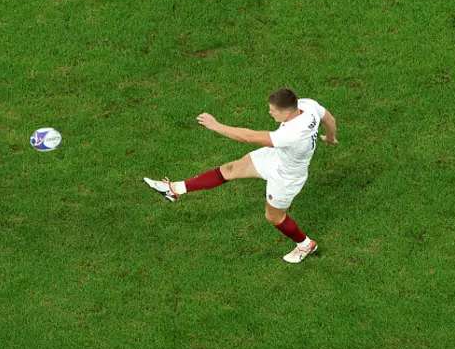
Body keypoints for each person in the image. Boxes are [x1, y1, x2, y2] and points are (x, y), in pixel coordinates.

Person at [144, 88, 338, 263]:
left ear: (286, 112)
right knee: (230, 169)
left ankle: (305, 245)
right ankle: (174, 190)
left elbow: (248, 137)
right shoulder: (307, 105)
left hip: (287, 177)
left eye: (273, 110)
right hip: (277, 156)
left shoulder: (291, 134)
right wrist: (330, 137)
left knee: (274, 217)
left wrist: (216, 125)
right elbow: (329, 119)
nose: (269, 112)